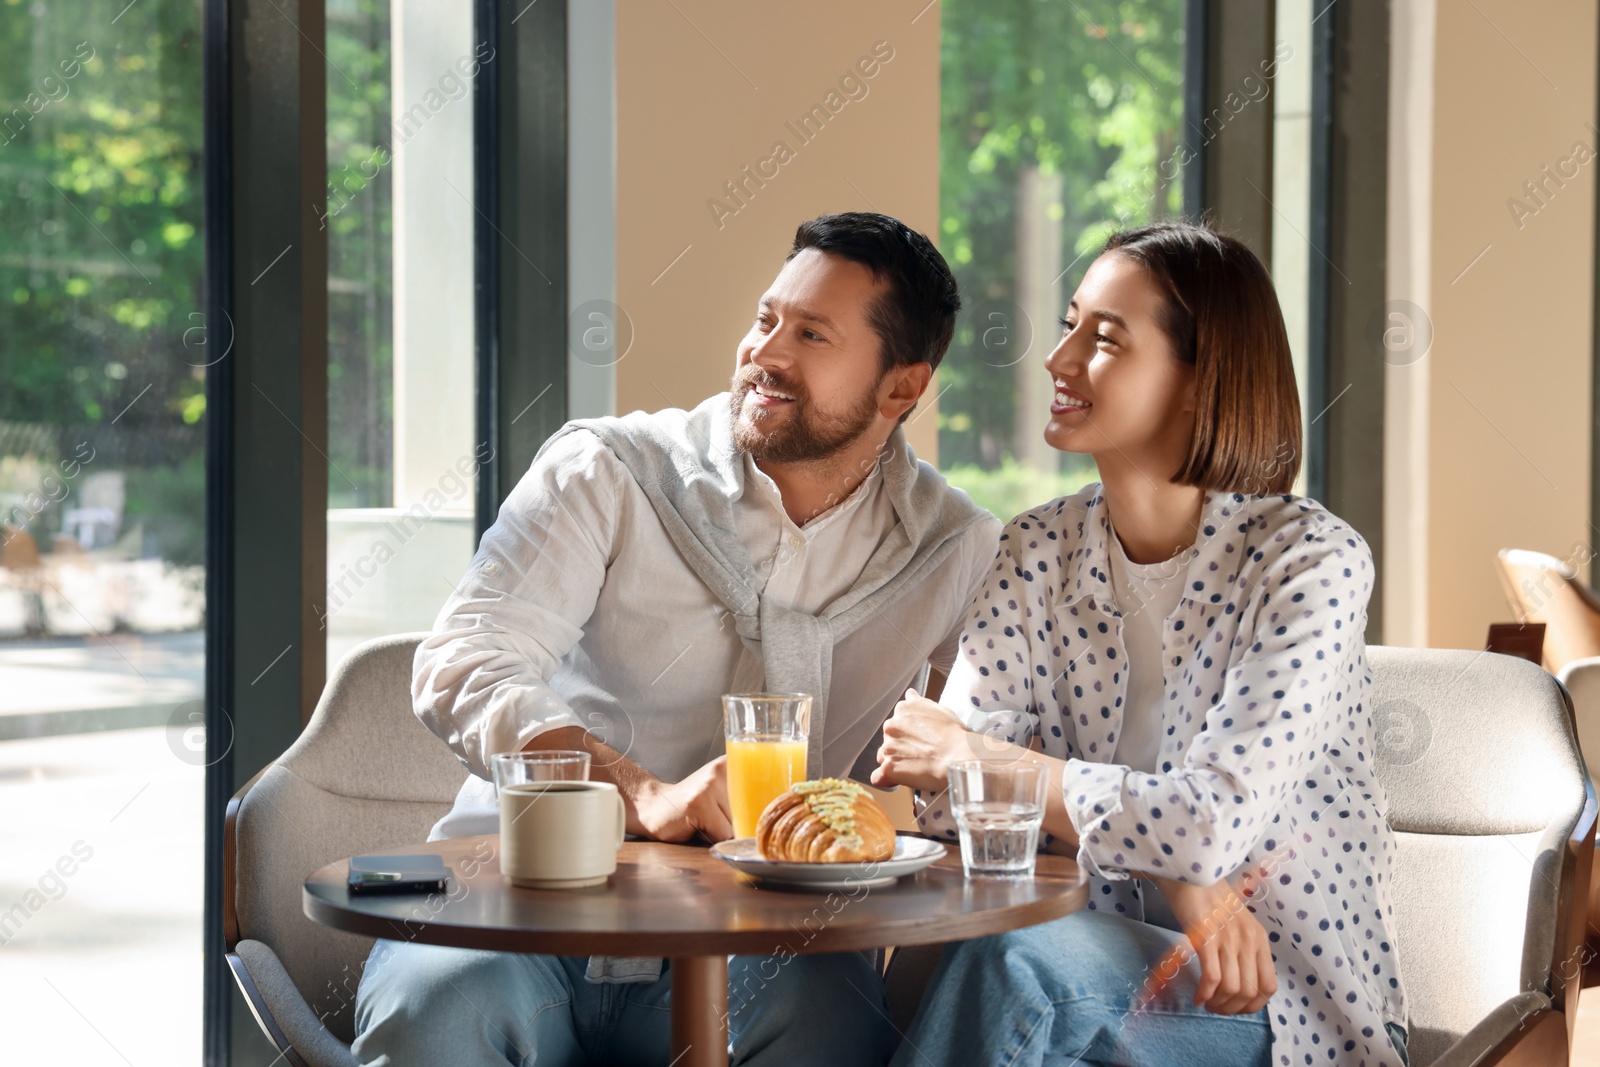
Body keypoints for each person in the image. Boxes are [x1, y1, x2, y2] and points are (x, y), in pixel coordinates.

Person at [352, 211, 1001, 1067]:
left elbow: (974, 769)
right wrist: (639, 791)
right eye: (766, 319)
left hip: (760, 938)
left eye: (811, 334)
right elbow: (466, 660)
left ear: (901, 388)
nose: (766, 352)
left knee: (835, 1039)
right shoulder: (610, 471)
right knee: (438, 1012)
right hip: (524, 900)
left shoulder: (952, 549)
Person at [872, 220, 1410, 1067]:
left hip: (1275, 998)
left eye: (1106, 339)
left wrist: (996, 764)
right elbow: (946, 803)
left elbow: (1203, 820)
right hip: (1085, 950)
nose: (1058, 360)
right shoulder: (1035, 548)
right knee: (917, 976)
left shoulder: (1310, 562)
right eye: (1069, 324)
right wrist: (1182, 875)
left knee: (1018, 970)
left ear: (1200, 382)